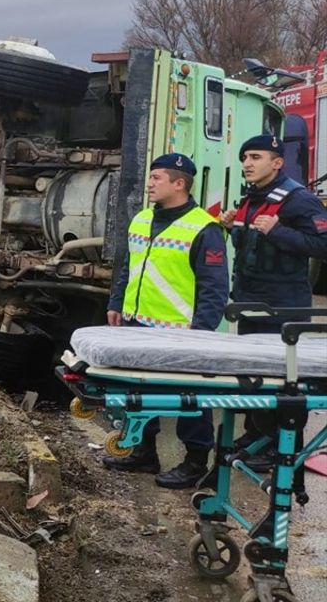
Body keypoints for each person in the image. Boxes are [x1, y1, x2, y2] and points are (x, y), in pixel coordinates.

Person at [102, 153, 229, 489]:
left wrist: (200, 335)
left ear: (179, 183)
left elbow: (214, 289)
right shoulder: (142, 219)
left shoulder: (204, 227)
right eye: (151, 177)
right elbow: (129, 268)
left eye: (157, 177)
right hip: (136, 323)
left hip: (178, 331)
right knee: (138, 394)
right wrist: (117, 302)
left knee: (189, 398)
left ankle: (196, 462)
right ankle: (143, 452)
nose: (149, 183)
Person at [219, 134, 327, 470]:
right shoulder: (251, 199)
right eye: (245, 158)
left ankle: (283, 446)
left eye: (255, 157)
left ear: (277, 162)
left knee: (283, 380)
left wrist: (278, 231)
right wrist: (229, 224)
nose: (247, 164)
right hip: (251, 304)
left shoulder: (298, 200)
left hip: (283, 309)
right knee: (254, 375)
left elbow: (322, 245)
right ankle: (256, 435)